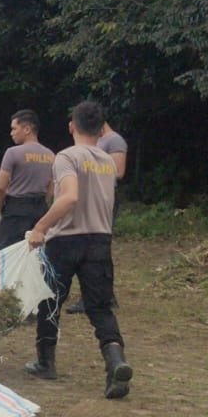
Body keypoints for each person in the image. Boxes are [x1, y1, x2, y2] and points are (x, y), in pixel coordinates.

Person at [25, 100, 134, 399]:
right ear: (101, 130)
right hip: (100, 240)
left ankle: (45, 362)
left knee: (49, 301)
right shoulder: (107, 161)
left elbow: (70, 197)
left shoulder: (66, 157)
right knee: (99, 306)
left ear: (72, 125)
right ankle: (116, 362)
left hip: (66, 240)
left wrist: (40, 227)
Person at [69, 121, 128, 313]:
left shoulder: (114, 140)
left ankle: (99, 295)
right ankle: (101, 294)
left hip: (103, 196)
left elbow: (118, 171)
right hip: (91, 195)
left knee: (97, 245)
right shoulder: (101, 142)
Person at [0, 109, 56, 254]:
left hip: (16, 209)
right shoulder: (51, 155)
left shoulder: (12, 153)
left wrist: (1, 208)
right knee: (35, 254)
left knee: (4, 253)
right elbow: (52, 187)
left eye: (14, 128)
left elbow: (0, 188)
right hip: (40, 209)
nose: (11, 133)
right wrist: (44, 202)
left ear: (27, 129)